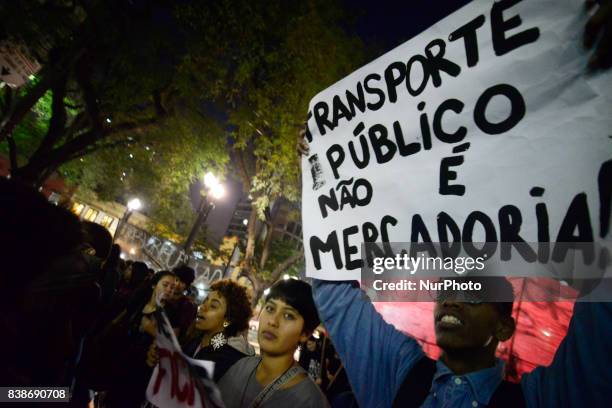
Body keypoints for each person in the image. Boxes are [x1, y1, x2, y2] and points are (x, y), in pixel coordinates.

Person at [218, 279, 329, 407]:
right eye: (270, 308)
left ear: (305, 334)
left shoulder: (310, 401)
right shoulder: (241, 366)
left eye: (288, 316)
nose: (273, 321)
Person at [100, 270, 177, 408]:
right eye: (165, 285)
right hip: (119, 361)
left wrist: (151, 330)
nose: (169, 289)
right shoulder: (139, 303)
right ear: (154, 285)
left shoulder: (169, 315)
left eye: (172, 288)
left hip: (139, 372)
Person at [179, 279, 254, 381]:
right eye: (205, 301)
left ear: (228, 319)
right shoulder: (194, 341)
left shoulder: (225, 359)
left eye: (213, 306)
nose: (202, 307)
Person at [166, 265, 198, 336]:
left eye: (182, 282)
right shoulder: (164, 296)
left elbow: (180, 332)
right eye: (176, 280)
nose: (177, 285)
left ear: (187, 286)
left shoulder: (187, 305)